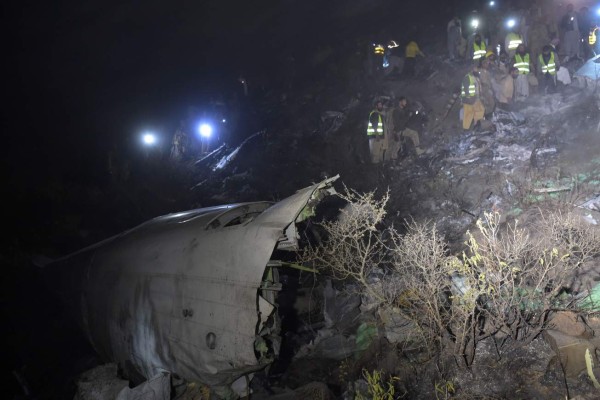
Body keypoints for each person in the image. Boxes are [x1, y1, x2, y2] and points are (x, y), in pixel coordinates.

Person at [461, 63, 485, 131]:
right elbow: (466, 88)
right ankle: (466, 129)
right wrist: (469, 97)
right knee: (468, 114)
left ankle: (477, 124)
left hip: (476, 98)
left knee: (481, 110)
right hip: (469, 99)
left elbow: (478, 87)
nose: (477, 70)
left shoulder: (476, 77)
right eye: (476, 68)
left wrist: (481, 96)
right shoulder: (467, 77)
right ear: (472, 69)